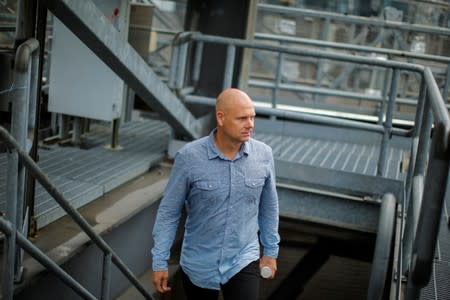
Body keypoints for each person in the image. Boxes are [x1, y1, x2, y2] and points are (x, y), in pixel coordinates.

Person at [151, 88, 280, 300]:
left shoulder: (264, 155)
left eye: (252, 117)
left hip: (243, 258)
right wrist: (159, 261)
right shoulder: (189, 157)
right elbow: (169, 212)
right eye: (242, 118)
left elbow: (269, 207)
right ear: (221, 118)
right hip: (199, 263)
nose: (250, 124)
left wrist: (270, 252)